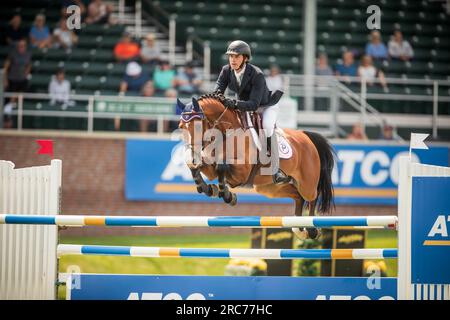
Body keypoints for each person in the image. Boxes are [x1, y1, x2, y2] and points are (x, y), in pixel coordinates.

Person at [213, 40, 287, 184]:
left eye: (237, 57)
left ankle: (276, 169)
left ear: (245, 58)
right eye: (231, 57)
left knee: (267, 127)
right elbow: (217, 90)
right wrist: (219, 99)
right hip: (242, 106)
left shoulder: (256, 74)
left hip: (264, 107)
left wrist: (234, 103)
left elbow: (254, 104)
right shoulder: (226, 70)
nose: (233, 60)